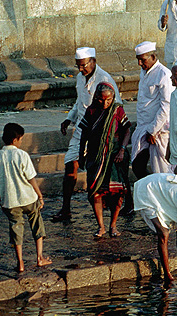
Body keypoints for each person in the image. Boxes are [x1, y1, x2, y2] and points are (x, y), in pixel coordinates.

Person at [52, 47, 121, 222]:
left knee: (101, 173)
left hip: (100, 132)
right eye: (78, 66)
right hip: (81, 129)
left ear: (93, 62)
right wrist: (69, 118)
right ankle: (66, 209)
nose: (81, 69)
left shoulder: (105, 79)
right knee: (70, 165)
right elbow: (79, 101)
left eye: (83, 66)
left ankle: (112, 215)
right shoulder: (79, 78)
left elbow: (117, 107)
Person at [0, 123, 51, 273]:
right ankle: (39, 258)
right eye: (21, 139)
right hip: (28, 198)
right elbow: (31, 179)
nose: (21, 142)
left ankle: (20, 263)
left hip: (9, 201)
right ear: (15, 140)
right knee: (36, 222)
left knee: (15, 228)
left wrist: (1, 198)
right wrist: (40, 195)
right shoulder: (22, 155)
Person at [78, 83, 131, 239]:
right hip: (96, 156)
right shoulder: (91, 111)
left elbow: (127, 130)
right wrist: (81, 153)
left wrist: (122, 149)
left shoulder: (117, 110)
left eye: (108, 100)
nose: (105, 103)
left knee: (117, 191)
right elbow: (84, 133)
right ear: (96, 98)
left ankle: (113, 225)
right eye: (101, 100)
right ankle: (100, 226)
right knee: (95, 191)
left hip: (115, 155)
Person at [130, 42, 174, 182]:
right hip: (143, 127)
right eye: (138, 59)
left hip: (158, 130)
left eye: (142, 59)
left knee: (161, 171)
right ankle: (151, 191)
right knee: (137, 165)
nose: (139, 63)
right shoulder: (144, 72)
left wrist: (153, 130)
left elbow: (166, 105)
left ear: (153, 56)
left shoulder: (164, 74)